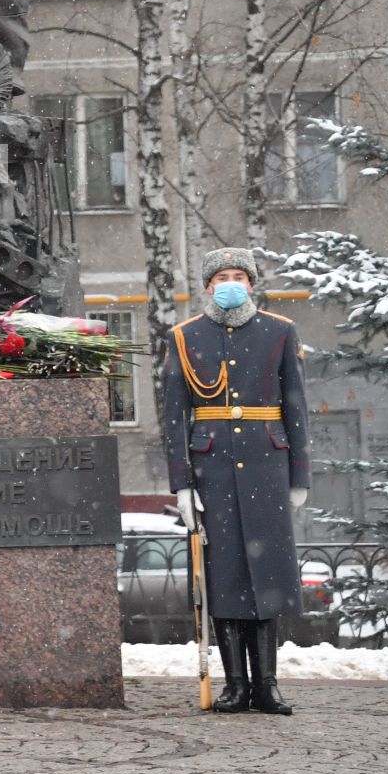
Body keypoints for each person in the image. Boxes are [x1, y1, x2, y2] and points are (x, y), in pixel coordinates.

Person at [163, 248, 311, 716]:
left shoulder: (279, 331)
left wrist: (299, 475)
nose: (231, 283)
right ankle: (236, 685)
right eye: (221, 277)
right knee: (224, 578)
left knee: (265, 578)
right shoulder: (185, 338)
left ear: (252, 284)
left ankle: (267, 685)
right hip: (213, 472)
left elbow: (297, 407)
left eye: (239, 276)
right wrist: (182, 485)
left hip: (267, 465)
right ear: (208, 286)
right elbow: (174, 417)